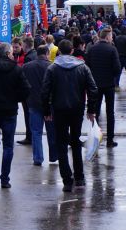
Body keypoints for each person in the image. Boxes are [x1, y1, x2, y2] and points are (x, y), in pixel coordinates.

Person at [42, 39, 98, 193]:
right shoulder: (82, 67)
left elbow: (45, 91)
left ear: (59, 51)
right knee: (75, 141)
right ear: (72, 50)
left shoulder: (52, 68)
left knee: (61, 143)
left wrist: (46, 111)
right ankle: (79, 178)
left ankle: (67, 179)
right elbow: (93, 89)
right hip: (76, 108)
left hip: (59, 109)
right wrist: (91, 110)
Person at [0, 42, 30, 189]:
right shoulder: (16, 69)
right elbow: (26, 89)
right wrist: (16, 98)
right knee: (8, 145)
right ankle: (5, 179)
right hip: (10, 111)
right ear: (9, 53)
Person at [85, 27, 121, 148]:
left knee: (95, 112)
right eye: (111, 36)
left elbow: (87, 66)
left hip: (95, 85)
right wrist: (112, 76)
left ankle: (95, 138)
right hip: (108, 84)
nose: (112, 38)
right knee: (110, 112)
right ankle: (110, 140)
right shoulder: (112, 49)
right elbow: (117, 68)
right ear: (107, 37)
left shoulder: (92, 49)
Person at [22, 45, 56, 166]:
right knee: (52, 131)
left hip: (33, 103)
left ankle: (38, 158)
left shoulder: (26, 67)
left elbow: (23, 84)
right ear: (47, 53)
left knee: (36, 132)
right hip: (50, 104)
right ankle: (53, 156)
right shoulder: (52, 66)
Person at [17, 36, 36, 145]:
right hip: (35, 90)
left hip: (29, 91)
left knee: (28, 114)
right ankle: (30, 135)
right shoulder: (35, 54)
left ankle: (29, 136)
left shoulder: (28, 58)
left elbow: (25, 76)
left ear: (25, 45)